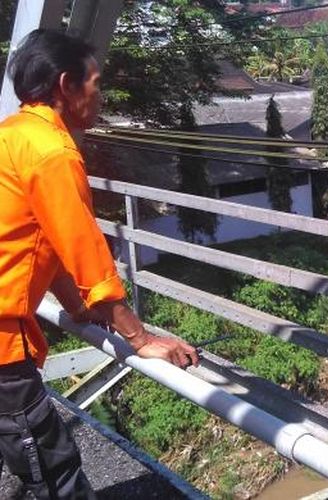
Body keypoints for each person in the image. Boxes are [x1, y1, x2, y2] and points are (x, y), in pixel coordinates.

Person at [0, 30, 199, 498]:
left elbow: (44, 242)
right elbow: (87, 254)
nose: (100, 95)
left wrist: (78, 307)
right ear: (67, 86)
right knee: (53, 471)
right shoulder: (53, 153)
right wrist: (141, 338)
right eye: (96, 82)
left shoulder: (11, 135)